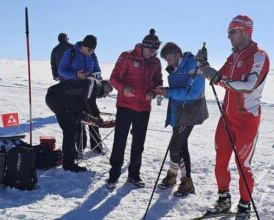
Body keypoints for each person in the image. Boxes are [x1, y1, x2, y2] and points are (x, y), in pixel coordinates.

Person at [199, 15, 270, 219]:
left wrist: (218, 78)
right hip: (226, 118)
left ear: (245, 31)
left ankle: (244, 206)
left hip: (247, 121)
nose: (228, 36)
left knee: (243, 165)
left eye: (232, 32)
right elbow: (216, 77)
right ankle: (223, 200)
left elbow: (248, 86)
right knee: (220, 162)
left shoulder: (259, 56)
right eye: (228, 32)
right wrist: (203, 64)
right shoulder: (233, 56)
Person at [107, 29, 163, 189]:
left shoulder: (156, 62)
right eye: (150, 50)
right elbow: (113, 78)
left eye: (155, 51)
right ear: (143, 46)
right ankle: (114, 174)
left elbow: (158, 82)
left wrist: (153, 93)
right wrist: (123, 89)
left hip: (144, 108)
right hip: (125, 105)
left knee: (139, 143)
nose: (152, 53)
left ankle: (134, 174)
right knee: (120, 141)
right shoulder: (127, 56)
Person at [156, 42, 208, 197]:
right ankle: (178, 178)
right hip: (177, 111)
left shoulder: (193, 64)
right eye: (166, 61)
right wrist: (164, 90)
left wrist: (168, 92)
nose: (169, 63)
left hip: (190, 111)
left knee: (175, 146)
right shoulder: (176, 67)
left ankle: (185, 180)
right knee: (181, 146)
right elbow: (177, 86)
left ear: (178, 54)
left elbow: (194, 92)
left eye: (170, 59)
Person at [45, 78, 113, 172]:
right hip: (57, 98)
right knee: (69, 131)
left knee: (70, 130)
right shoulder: (94, 84)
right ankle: (69, 164)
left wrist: (91, 118)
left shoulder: (90, 87)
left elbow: (82, 104)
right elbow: (89, 100)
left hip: (58, 99)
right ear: (104, 86)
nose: (105, 96)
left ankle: (69, 160)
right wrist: (97, 116)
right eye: (107, 93)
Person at [58, 35, 104, 155]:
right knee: (78, 120)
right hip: (73, 93)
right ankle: (79, 147)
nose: (90, 52)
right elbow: (61, 70)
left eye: (93, 50)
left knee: (93, 117)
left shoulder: (93, 56)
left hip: (89, 90)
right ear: (83, 46)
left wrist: (95, 75)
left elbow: (98, 71)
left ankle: (97, 146)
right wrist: (76, 75)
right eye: (89, 49)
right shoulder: (70, 53)